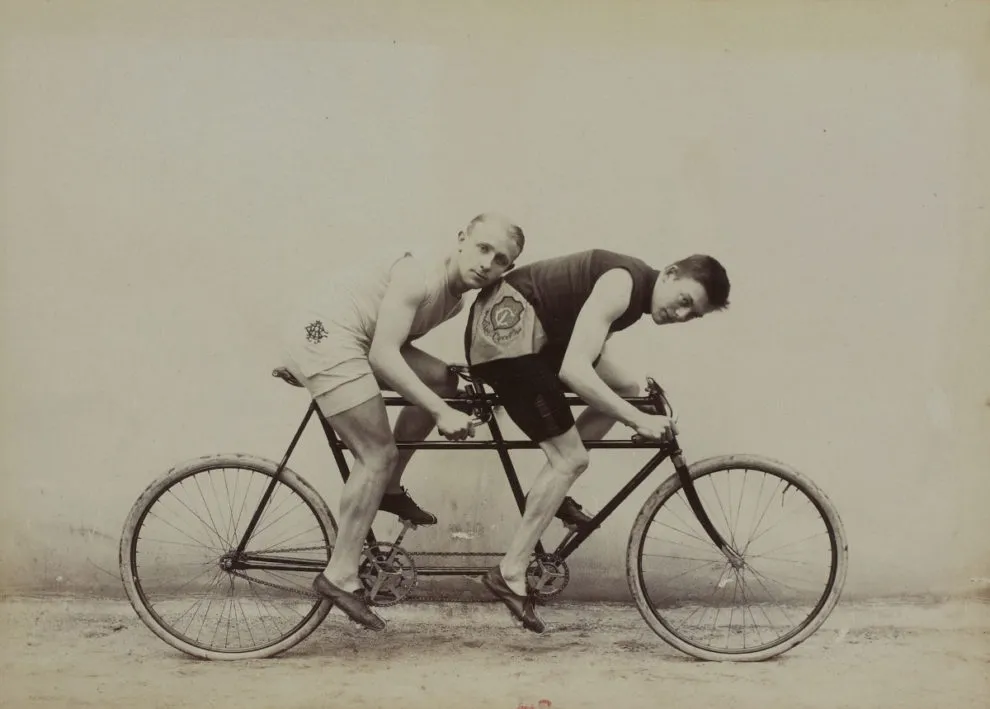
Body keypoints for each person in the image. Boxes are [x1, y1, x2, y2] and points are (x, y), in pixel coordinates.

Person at [464, 248, 730, 632]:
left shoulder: (634, 293)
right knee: (570, 458)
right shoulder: (622, 284)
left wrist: (636, 404)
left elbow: (584, 356)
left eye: (693, 315)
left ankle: (556, 484)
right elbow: (575, 370)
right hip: (504, 340)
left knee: (627, 388)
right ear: (670, 273)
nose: (682, 315)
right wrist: (637, 418)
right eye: (684, 301)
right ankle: (509, 572)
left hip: (534, 337)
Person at [280, 213, 525, 630]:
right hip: (326, 336)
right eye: (483, 248)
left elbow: (392, 339)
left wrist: (447, 391)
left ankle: (389, 489)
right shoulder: (420, 277)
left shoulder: (457, 299)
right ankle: (339, 574)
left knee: (444, 380)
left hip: (351, 339)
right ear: (462, 238)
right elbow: (383, 356)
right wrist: (440, 412)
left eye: (500, 259)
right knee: (376, 453)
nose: (487, 263)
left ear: (508, 269)